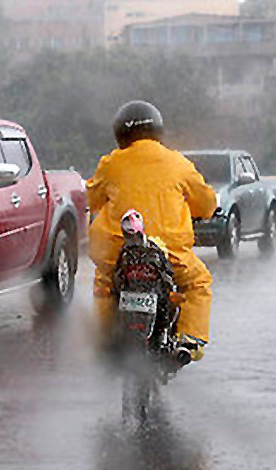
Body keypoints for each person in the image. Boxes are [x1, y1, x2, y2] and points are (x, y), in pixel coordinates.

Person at [87, 100, 217, 361]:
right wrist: (203, 212)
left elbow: (92, 198)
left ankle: (103, 340)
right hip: (168, 254)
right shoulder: (178, 163)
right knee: (197, 283)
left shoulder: (111, 163)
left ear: (120, 133)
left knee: (104, 285)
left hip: (119, 253)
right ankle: (189, 340)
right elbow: (205, 203)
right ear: (158, 130)